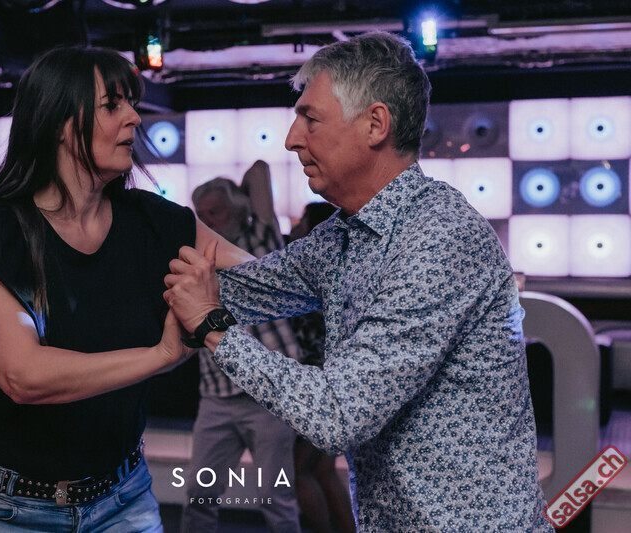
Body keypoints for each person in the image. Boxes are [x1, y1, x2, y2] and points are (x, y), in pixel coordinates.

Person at [164, 32, 552, 532]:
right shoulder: (347, 234)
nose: (292, 138)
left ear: (375, 124)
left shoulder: (438, 237)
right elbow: (251, 287)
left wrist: (212, 326)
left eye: (310, 119)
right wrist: (138, 219)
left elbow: (338, 414)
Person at [0, 45, 248, 532]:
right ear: (60, 124)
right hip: (8, 509)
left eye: (132, 103)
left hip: (123, 499)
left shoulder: (153, 222)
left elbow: (263, 279)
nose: (135, 118)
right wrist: (161, 355)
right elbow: (23, 376)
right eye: (112, 105)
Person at [181, 163, 302, 533]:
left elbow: (259, 171)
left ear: (237, 210)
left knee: (274, 497)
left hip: (269, 395)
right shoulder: (197, 262)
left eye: (215, 212)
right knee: (197, 496)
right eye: (201, 215)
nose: (207, 221)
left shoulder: (261, 238)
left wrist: (237, 194)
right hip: (217, 397)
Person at [288, 202, 356, 533]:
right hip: (336, 382)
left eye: (302, 220)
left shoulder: (309, 270)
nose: (295, 225)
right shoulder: (341, 267)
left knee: (298, 472)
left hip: (315, 387)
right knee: (323, 472)